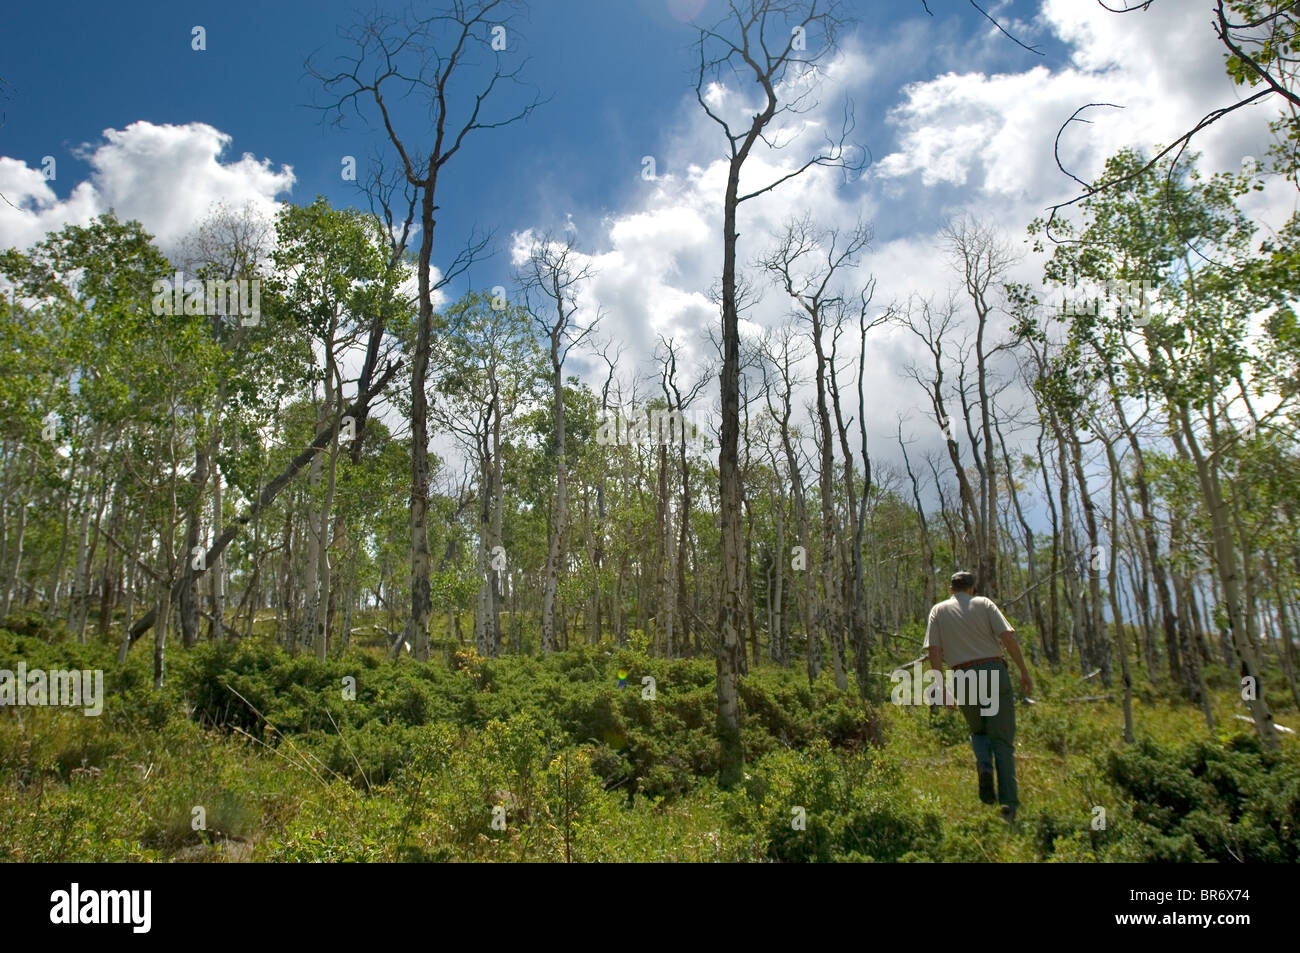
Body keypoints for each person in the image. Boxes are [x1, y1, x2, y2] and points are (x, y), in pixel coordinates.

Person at [923, 571, 1033, 825]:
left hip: (962, 677)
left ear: (951, 589)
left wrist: (941, 689)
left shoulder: (938, 611)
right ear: (971, 588)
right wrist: (1024, 672)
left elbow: (935, 652)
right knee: (1002, 742)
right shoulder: (984, 604)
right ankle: (1008, 806)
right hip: (993, 671)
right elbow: (1008, 638)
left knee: (978, 732)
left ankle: (984, 764)